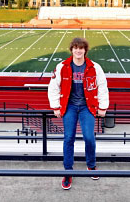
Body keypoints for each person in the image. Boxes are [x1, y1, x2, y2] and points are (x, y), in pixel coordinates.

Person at [47, 37, 109, 190]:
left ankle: (91, 165)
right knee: (69, 138)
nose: (78, 50)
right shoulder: (62, 66)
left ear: (85, 50)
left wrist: (103, 106)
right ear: (72, 50)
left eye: (81, 48)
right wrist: (55, 106)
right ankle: (68, 171)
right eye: (75, 48)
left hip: (87, 107)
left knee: (89, 137)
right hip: (70, 107)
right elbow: (53, 86)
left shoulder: (95, 67)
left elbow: (102, 86)